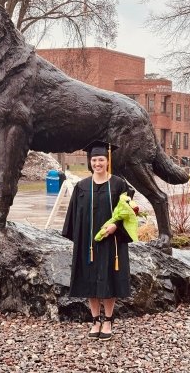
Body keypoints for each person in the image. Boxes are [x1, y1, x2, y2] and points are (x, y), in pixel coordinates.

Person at [62, 140, 134, 341]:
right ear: (90, 161)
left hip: (112, 242)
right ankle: (95, 321)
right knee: (89, 280)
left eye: (101, 159)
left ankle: (108, 320)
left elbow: (129, 214)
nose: (97, 163)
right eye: (94, 160)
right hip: (89, 243)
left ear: (107, 160)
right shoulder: (82, 186)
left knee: (110, 278)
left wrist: (116, 226)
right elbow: (74, 215)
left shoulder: (119, 184)